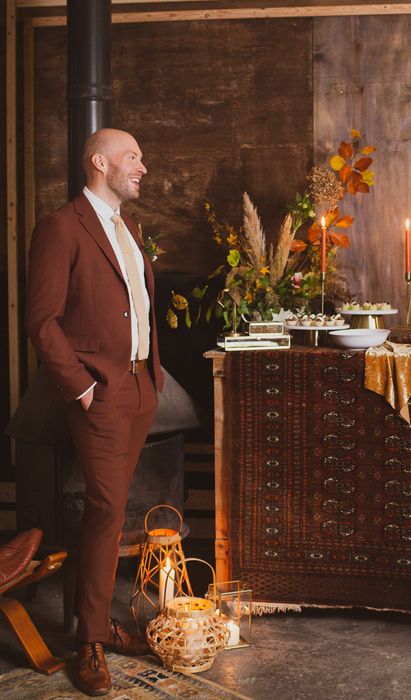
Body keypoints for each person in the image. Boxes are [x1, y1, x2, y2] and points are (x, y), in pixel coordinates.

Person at [26, 128, 164, 696]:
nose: (143, 166)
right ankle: (90, 641)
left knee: (107, 512)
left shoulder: (128, 229)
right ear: (99, 162)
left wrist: (150, 379)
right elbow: (41, 320)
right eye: (133, 156)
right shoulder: (61, 227)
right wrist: (80, 385)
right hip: (100, 393)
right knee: (107, 508)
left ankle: (96, 623)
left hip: (140, 391)